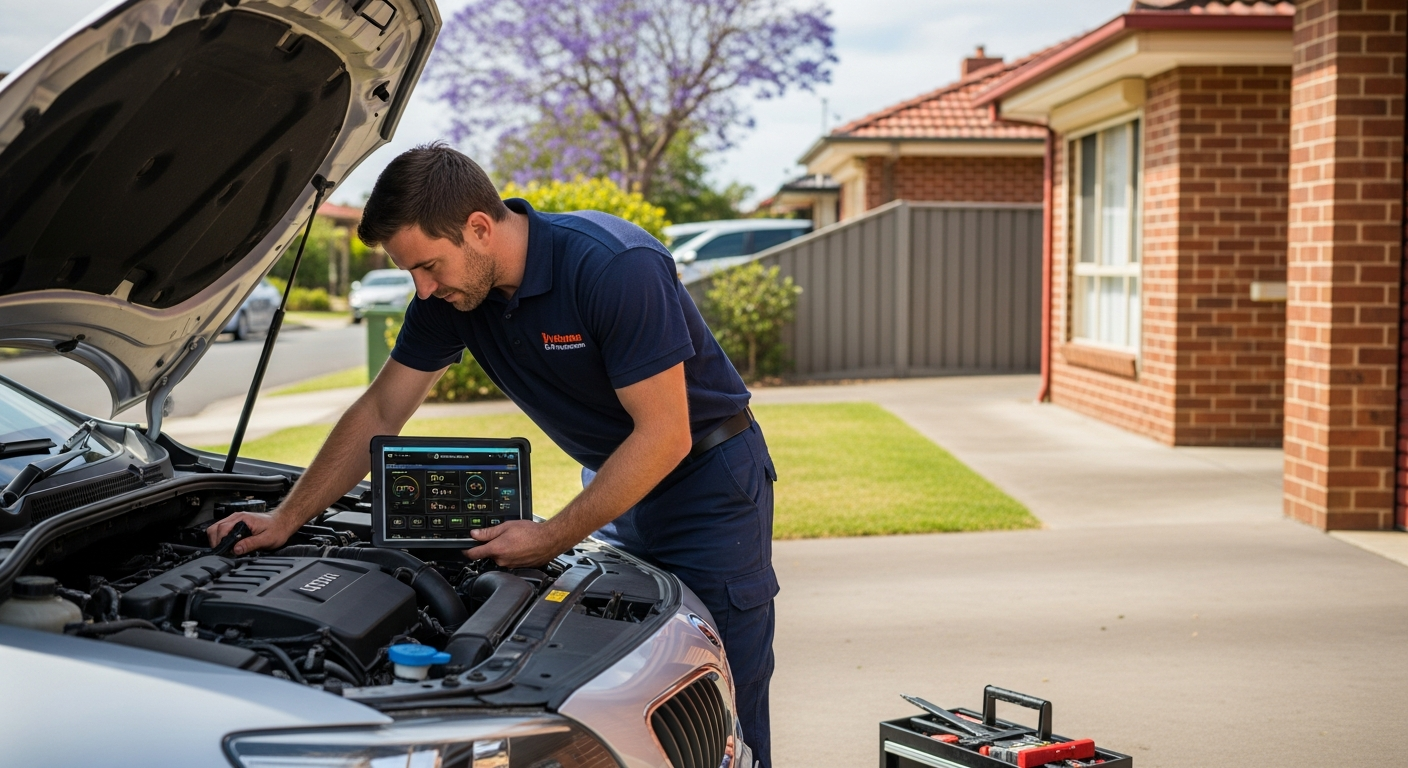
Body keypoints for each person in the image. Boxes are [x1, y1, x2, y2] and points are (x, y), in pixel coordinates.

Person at [206, 143, 779, 766]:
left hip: (709, 486)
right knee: (622, 698)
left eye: (428, 265)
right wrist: (287, 518)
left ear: (479, 227)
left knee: (720, 704)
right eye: (410, 273)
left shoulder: (613, 264)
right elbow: (380, 412)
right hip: (617, 479)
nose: (421, 289)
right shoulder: (450, 300)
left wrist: (552, 536)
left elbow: (665, 435)